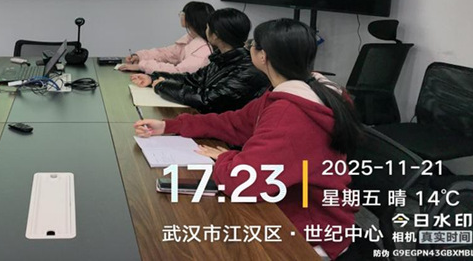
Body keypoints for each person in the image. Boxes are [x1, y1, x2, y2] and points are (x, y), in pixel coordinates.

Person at [134, 19, 361, 260]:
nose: (248, 48)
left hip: (310, 236)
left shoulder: (290, 112)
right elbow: (234, 123)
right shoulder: (294, 92)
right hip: (291, 208)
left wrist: (227, 157)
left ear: (263, 56)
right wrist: (171, 126)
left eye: (252, 44)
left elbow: (242, 180)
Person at [129, 8, 268, 113]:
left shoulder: (247, 69)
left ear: (215, 35)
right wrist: (152, 78)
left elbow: (207, 100)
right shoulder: (222, 58)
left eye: (207, 27)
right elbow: (193, 79)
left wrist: (162, 86)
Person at [119, 1, 214, 74]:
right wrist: (140, 56)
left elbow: (178, 72)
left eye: (183, 13)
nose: (181, 15)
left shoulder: (203, 49)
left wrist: (142, 66)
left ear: (192, 19)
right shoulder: (191, 38)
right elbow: (166, 54)